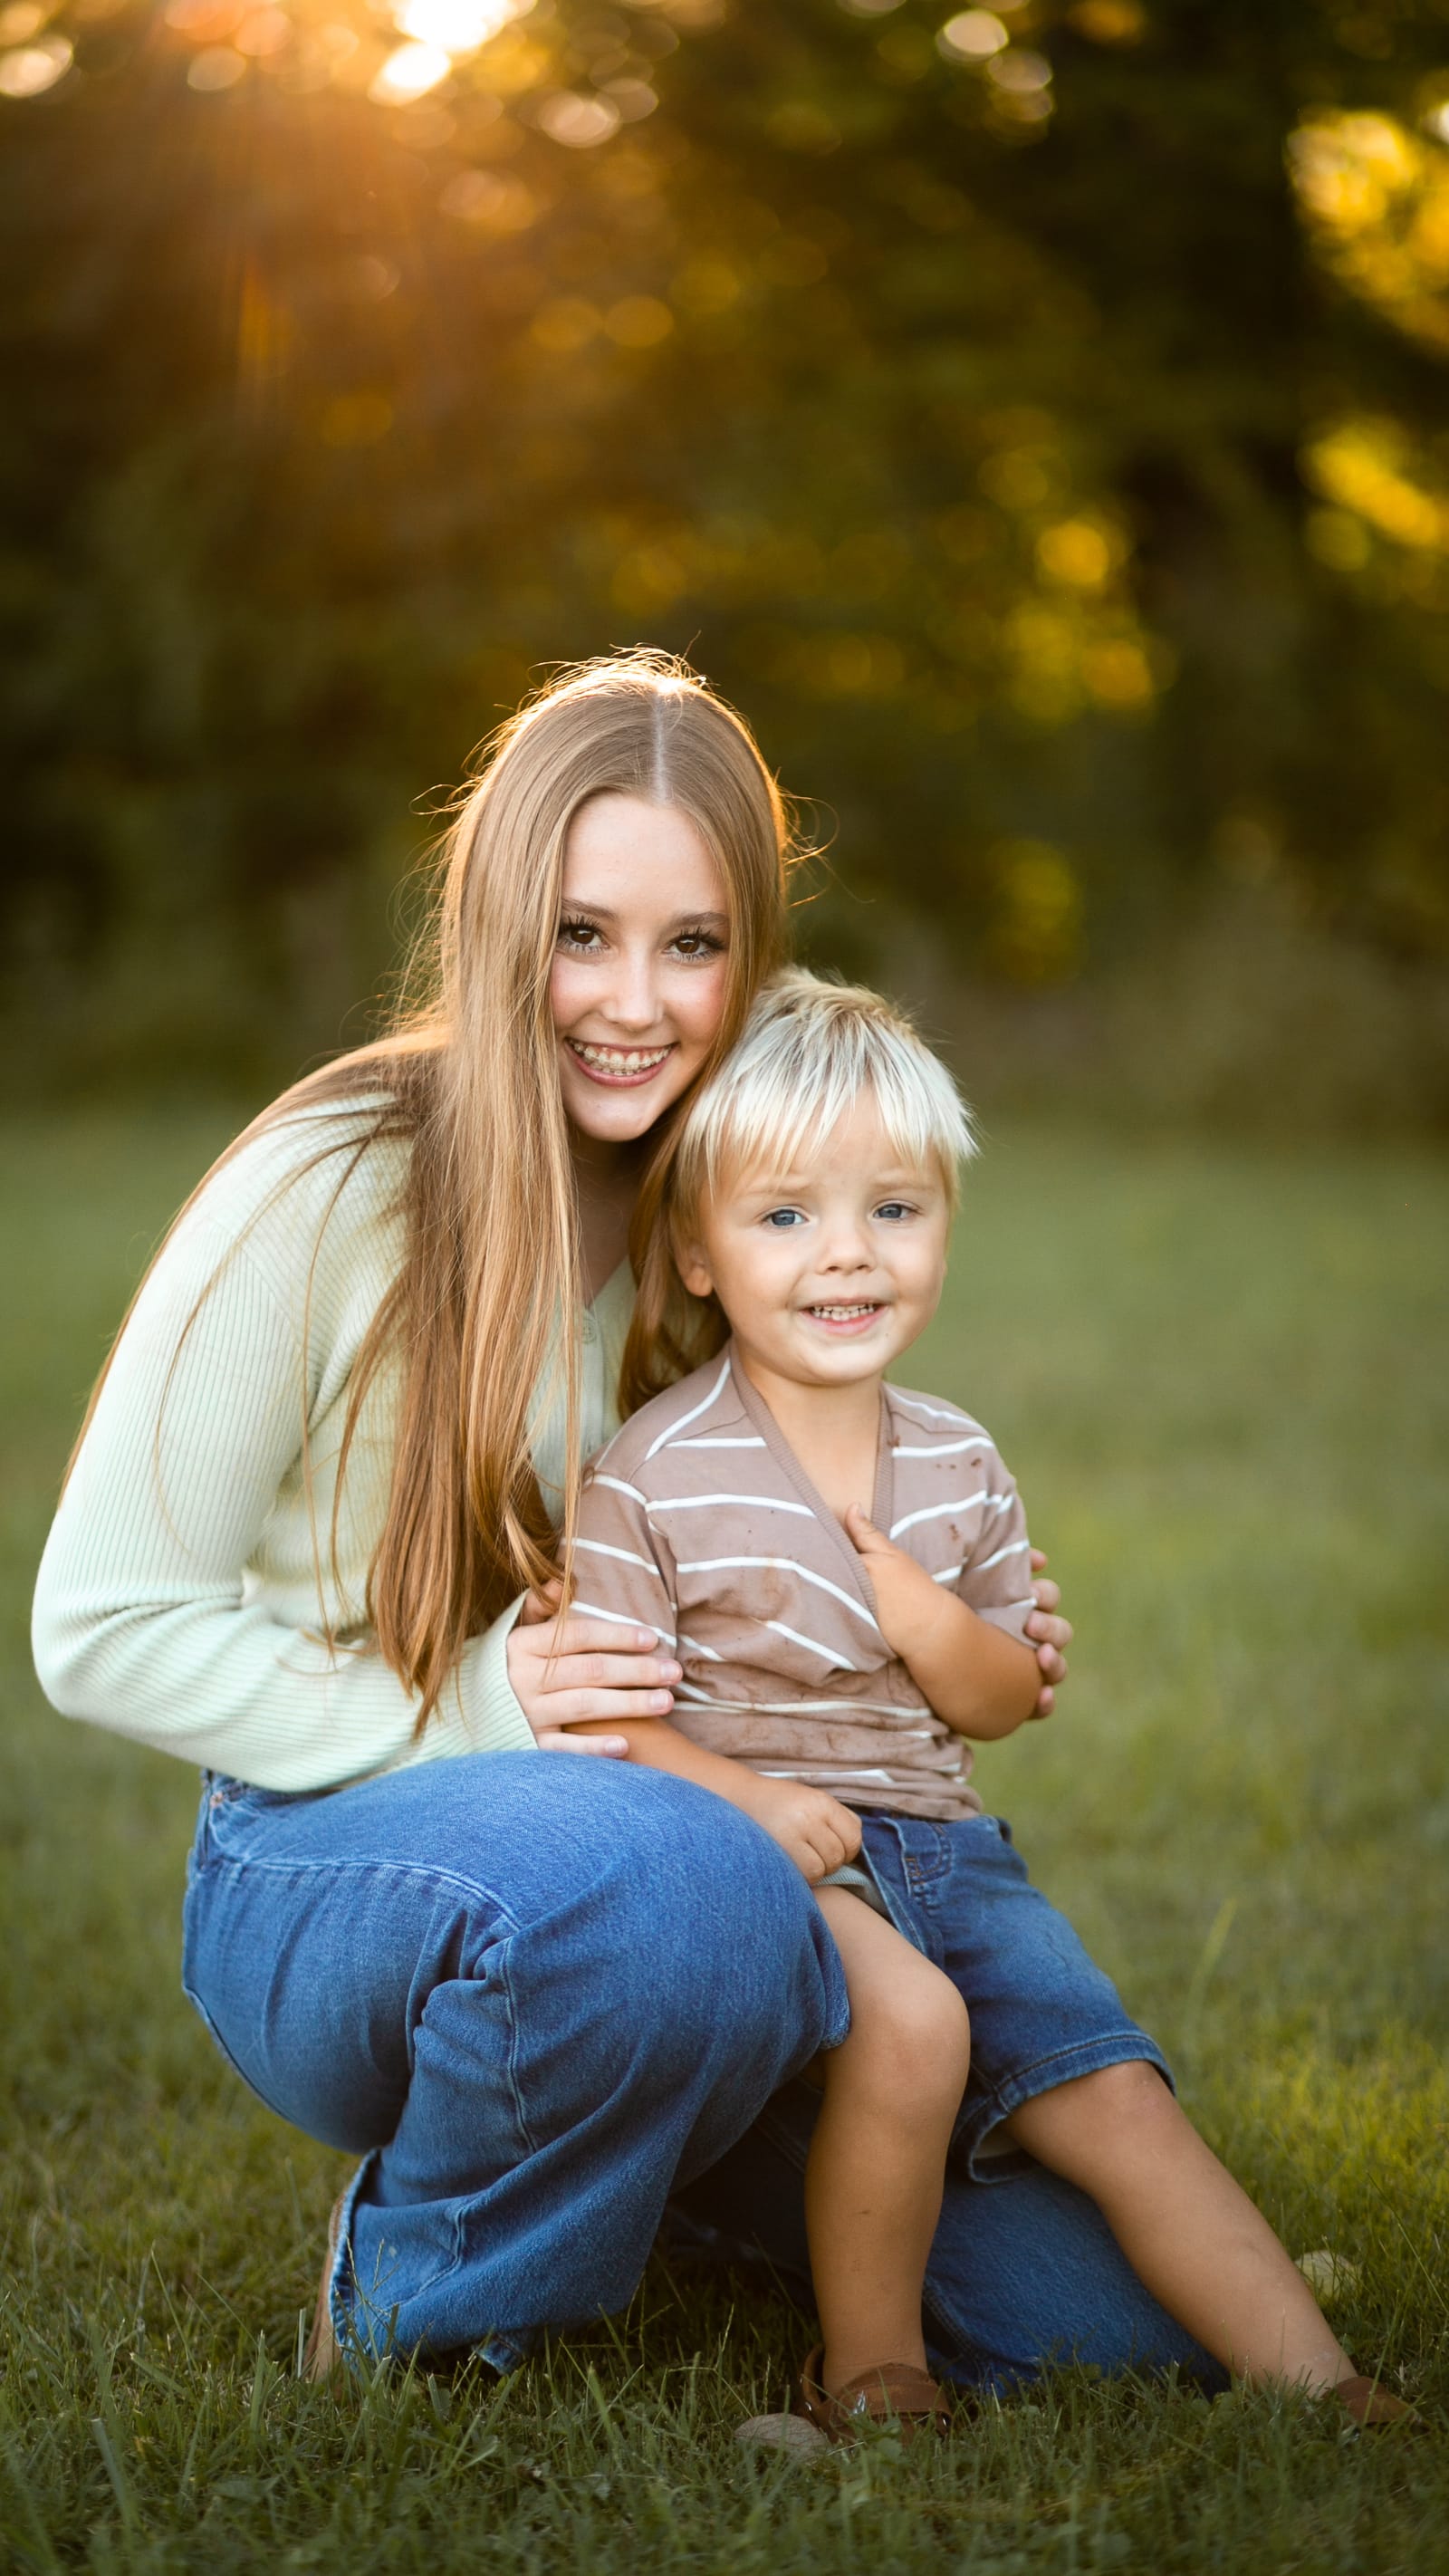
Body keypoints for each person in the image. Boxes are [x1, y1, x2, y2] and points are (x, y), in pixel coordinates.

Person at [33, 649, 1203, 2401]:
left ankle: (665, 2161)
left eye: (693, 943)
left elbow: (768, 1554)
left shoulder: (725, 1218)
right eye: (583, 934)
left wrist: (953, 1610)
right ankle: (419, 2306)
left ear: (752, 958)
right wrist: (488, 1706)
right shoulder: (338, 1178)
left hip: (671, 1852)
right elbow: (99, 1628)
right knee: (683, 1888)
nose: (632, 1002)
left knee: (1112, 2336)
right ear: (506, 927)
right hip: (330, 1852)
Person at [567, 969, 1413, 2441]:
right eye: (786, 1218)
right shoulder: (654, 1471)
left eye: (894, 1210)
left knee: (1113, 2092)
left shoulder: (956, 1459)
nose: (848, 1257)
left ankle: (1328, 2387)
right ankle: (872, 2380)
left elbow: (1010, 1692)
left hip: (956, 1856)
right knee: (909, 2033)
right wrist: (757, 1803)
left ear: (945, 1223)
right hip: (779, 1859)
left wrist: (933, 1619)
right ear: (697, 1252)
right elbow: (608, 1718)